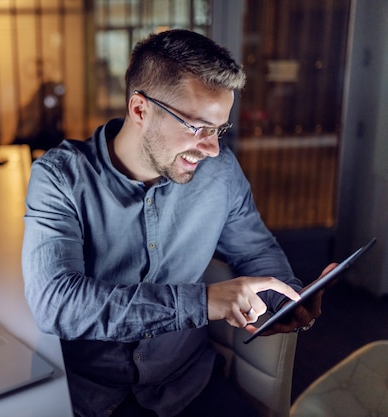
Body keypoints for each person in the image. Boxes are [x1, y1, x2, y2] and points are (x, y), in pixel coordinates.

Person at [21, 29, 334, 417]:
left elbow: (256, 251)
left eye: (219, 129)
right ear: (140, 110)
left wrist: (284, 299)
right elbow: (57, 303)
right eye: (198, 127)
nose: (214, 148)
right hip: (94, 398)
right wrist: (204, 302)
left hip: (188, 384)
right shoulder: (59, 177)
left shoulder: (221, 173)